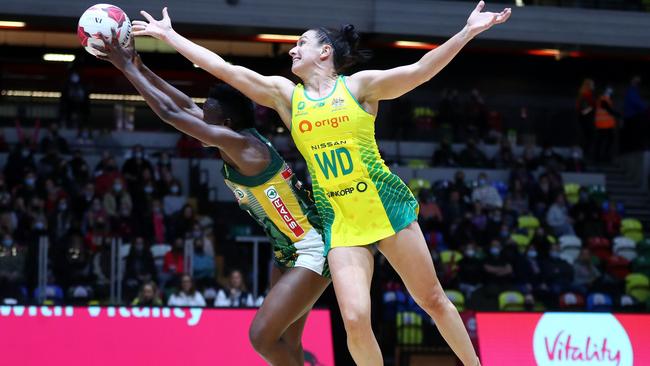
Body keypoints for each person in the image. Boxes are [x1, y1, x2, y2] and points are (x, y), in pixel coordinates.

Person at [130, 2, 511, 364]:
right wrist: (170, 36)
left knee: (432, 300)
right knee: (356, 318)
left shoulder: (359, 87)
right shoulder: (286, 97)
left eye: (301, 44)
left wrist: (467, 32)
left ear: (324, 52)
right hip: (340, 219)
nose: (292, 50)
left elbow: (421, 69)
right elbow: (223, 68)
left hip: (383, 203)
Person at [94, 35, 331, 366]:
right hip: (286, 251)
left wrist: (122, 67)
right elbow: (181, 105)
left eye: (208, 115)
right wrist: (138, 65)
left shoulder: (247, 148)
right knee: (287, 345)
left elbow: (168, 113)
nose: (201, 118)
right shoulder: (232, 137)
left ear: (227, 124)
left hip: (313, 248)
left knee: (261, 337)